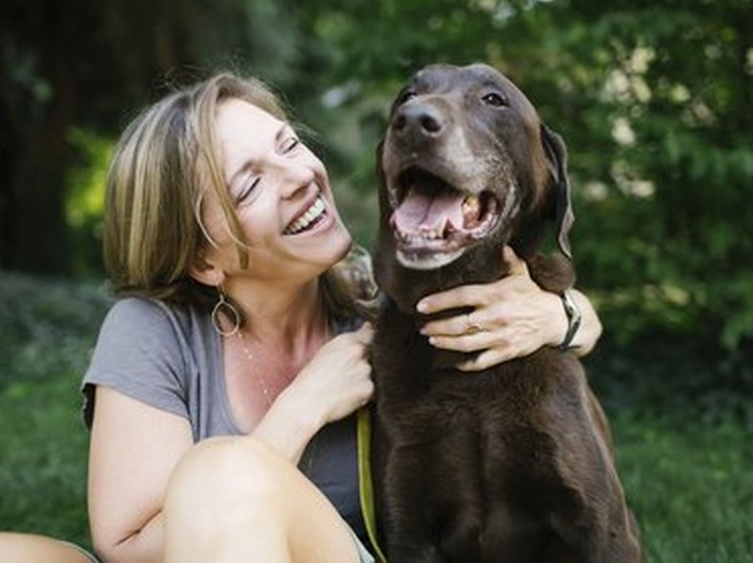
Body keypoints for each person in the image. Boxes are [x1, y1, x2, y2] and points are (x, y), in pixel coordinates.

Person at [81, 71, 602, 563]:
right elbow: (128, 548)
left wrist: (563, 316)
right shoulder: (152, 330)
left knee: (223, 470)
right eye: (249, 185)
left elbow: (557, 322)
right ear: (202, 260)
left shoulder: (383, 303)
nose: (298, 177)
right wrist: (301, 408)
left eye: (287, 145)